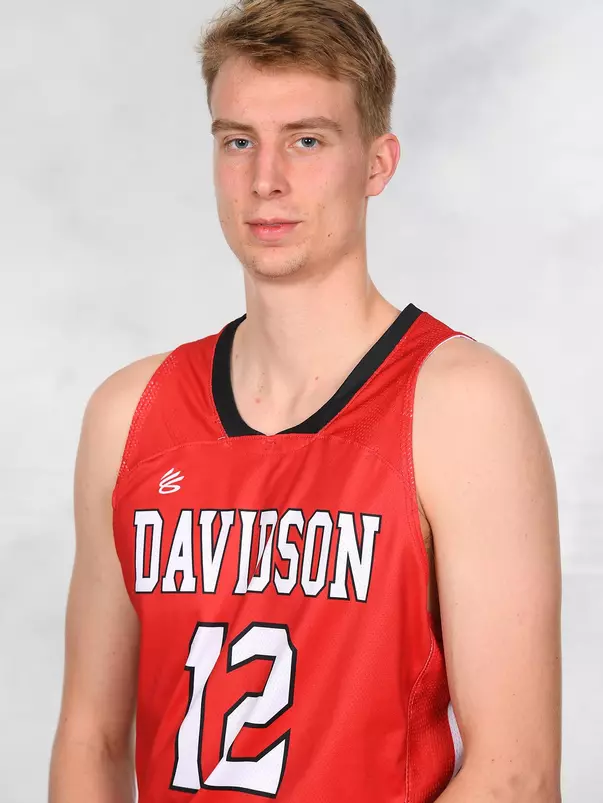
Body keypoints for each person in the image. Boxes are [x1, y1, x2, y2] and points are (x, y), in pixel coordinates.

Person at [48, 1, 562, 801]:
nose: (266, 179)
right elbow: (92, 736)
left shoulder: (462, 405)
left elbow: (516, 773)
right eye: (238, 141)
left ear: (376, 164)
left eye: (308, 140)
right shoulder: (127, 413)